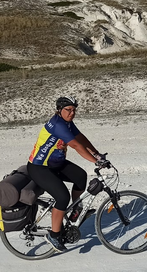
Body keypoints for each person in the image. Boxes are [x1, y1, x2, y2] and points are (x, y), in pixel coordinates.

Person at [27, 96, 108, 252]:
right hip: (40, 167)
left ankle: (75, 212)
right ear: (59, 110)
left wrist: (97, 154)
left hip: (55, 164)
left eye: (74, 110)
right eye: (68, 110)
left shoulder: (67, 123)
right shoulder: (57, 125)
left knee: (80, 177)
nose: (72, 113)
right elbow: (76, 145)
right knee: (62, 197)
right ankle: (54, 234)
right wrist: (95, 162)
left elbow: (80, 138)